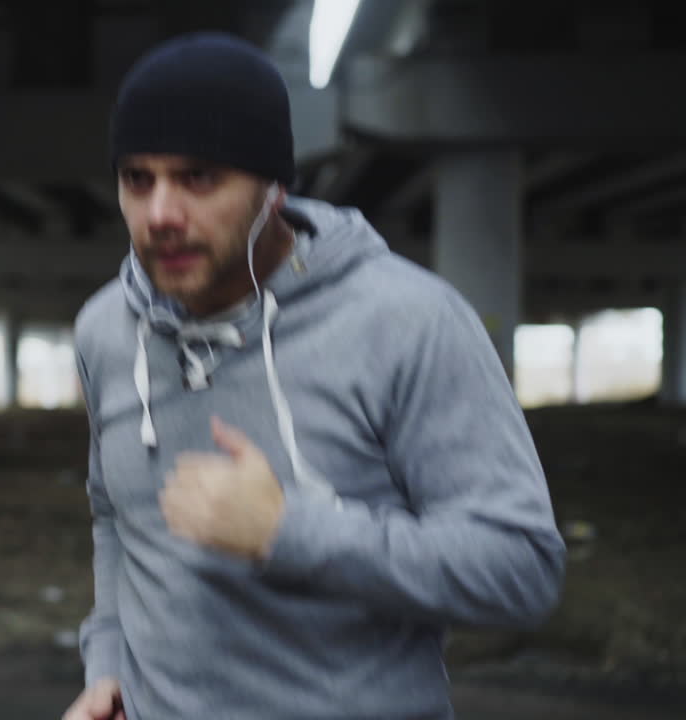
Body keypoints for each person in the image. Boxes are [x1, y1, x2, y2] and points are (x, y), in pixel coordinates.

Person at [63, 32, 566, 720]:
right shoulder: (104, 330)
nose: (160, 215)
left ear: (274, 188)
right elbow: (116, 517)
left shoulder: (408, 321)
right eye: (137, 179)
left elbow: (521, 570)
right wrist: (109, 661)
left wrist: (288, 533)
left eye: (199, 177)